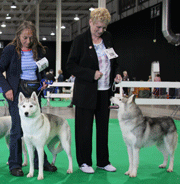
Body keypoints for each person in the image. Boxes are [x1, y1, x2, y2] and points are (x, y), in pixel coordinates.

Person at [0, 21, 57, 177]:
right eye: (25, 37)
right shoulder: (10, 50)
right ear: (18, 35)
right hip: (17, 93)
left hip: (34, 93)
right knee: (17, 129)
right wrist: (7, 88)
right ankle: (15, 164)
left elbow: (41, 71)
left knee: (37, 129)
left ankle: (39, 163)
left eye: (31, 37)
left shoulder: (39, 50)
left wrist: (43, 81)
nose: (28, 41)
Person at [66, 7, 122, 174]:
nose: (101, 30)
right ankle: (84, 162)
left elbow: (115, 60)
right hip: (85, 93)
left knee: (103, 128)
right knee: (84, 129)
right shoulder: (80, 41)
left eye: (104, 27)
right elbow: (70, 66)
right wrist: (91, 74)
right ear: (90, 22)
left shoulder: (108, 38)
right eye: (98, 27)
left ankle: (103, 161)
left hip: (104, 91)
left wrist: (117, 73)